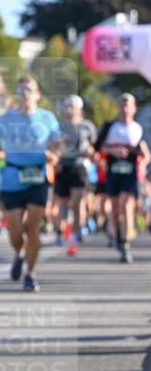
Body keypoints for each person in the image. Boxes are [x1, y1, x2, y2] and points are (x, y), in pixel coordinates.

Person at [0, 76, 62, 292]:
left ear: (37, 95)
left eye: (29, 90)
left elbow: (57, 145)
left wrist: (54, 156)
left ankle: (30, 273)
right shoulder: (7, 119)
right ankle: (20, 252)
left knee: (33, 228)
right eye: (21, 90)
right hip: (11, 177)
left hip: (37, 177)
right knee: (15, 230)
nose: (25, 94)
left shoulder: (47, 118)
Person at [94, 93, 150, 263]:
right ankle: (117, 236)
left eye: (128, 105)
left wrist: (142, 163)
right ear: (118, 107)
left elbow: (146, 153)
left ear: (134, 108)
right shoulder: (110, 126)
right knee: (116, 210)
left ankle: (126, 244)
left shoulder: (137, 128)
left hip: (130, 173)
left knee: (127, 206)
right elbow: (97, 147)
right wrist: (113, 151)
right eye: (122, 105)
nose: (125, 109)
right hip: (113, 172)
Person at [55, 95, 97, 256]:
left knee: (78, 201)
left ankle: (74, 234)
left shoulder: (87, 127)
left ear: (80, 109)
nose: (70, 109)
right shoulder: (59, 127)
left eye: (73, 106)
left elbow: (94, 148)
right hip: (63, 167)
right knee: (63, 204)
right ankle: (62, 231)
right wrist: (56, 158)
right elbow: (53, 147)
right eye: (67, 106)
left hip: (80, 166)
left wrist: (91, 153)